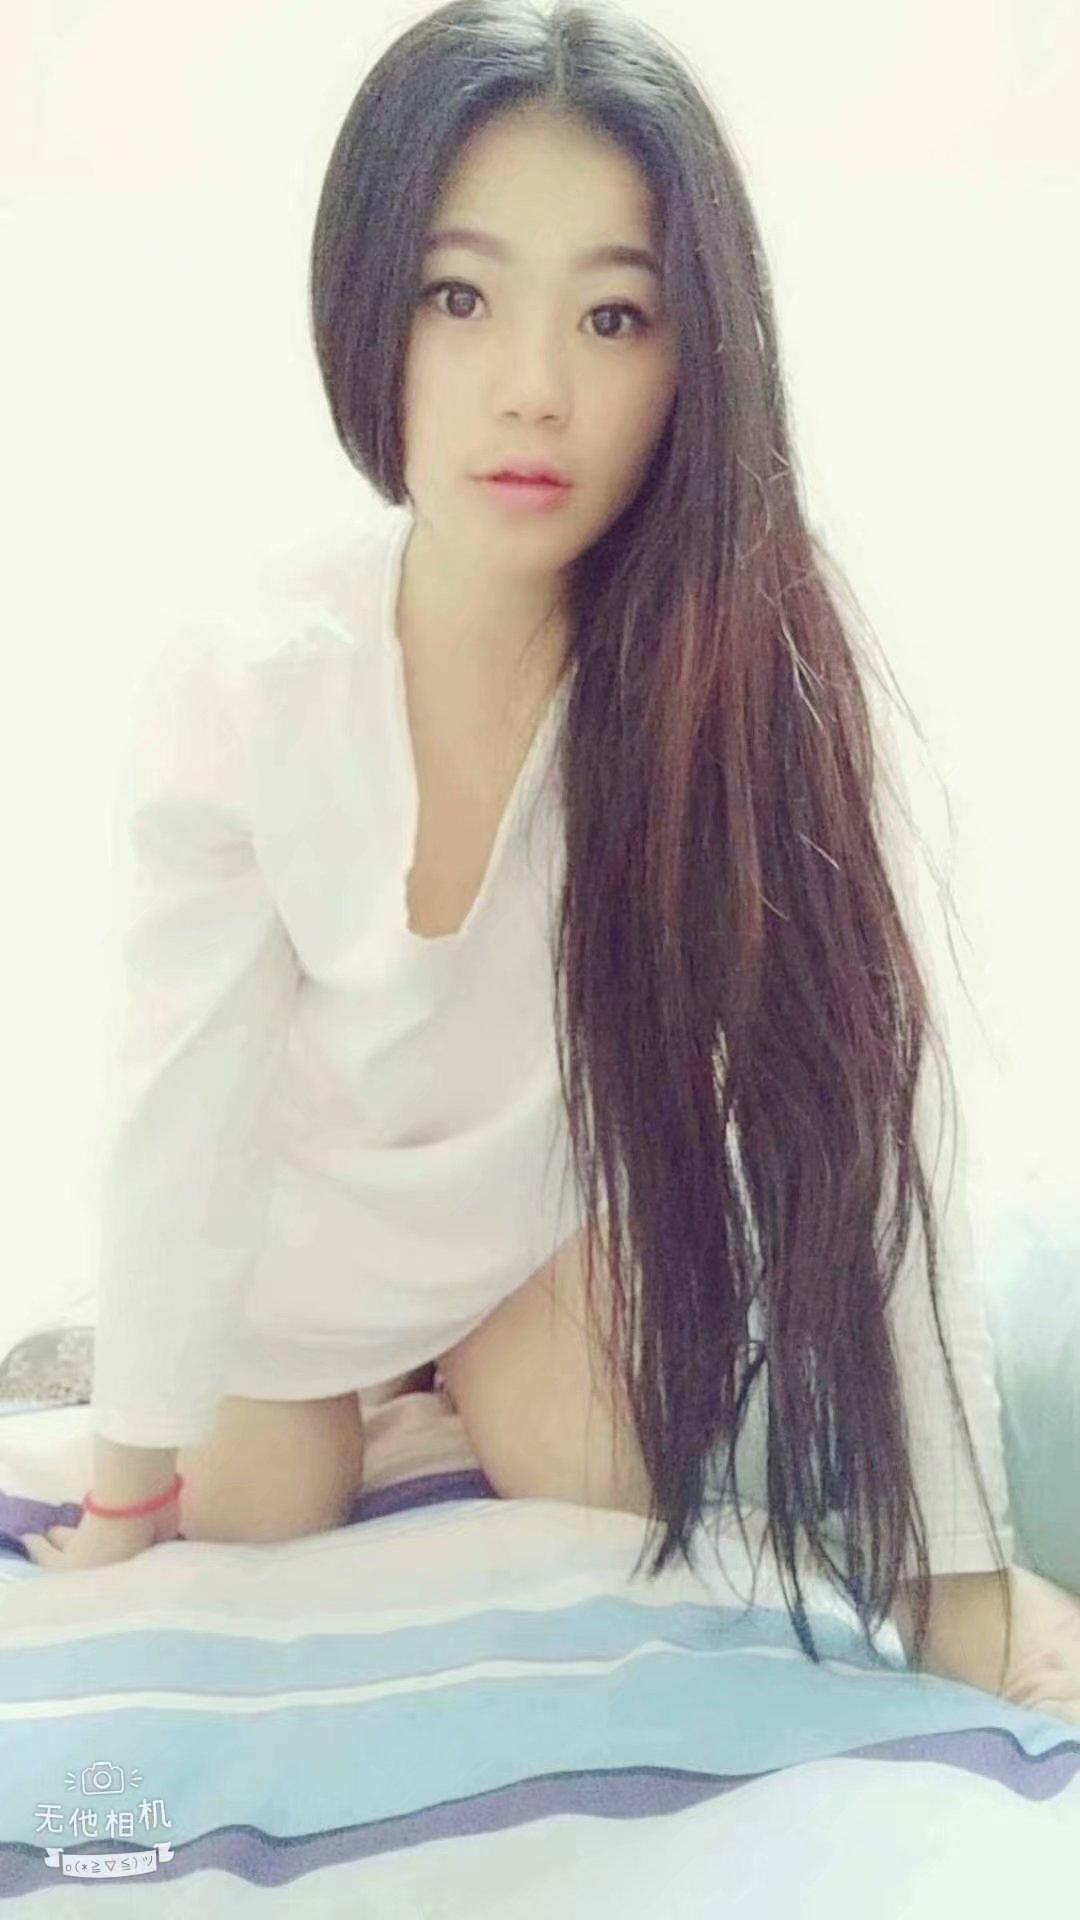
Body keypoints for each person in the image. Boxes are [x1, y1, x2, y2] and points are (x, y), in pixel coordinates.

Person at [18, 0, 1019, 1697]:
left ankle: (454, 1370)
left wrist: (966, 1584)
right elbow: (181, 1105)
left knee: (598, 1484)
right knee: (252, 1514)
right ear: (368, 304)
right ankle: (126, 1354)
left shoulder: (731, 667)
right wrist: (125, 1490)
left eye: (613, 316)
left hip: (530, 1245)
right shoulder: (252, 678)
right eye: (459, 296)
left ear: (694, 356)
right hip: (299, 1258)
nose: (535, 390)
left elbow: (874, 1117)